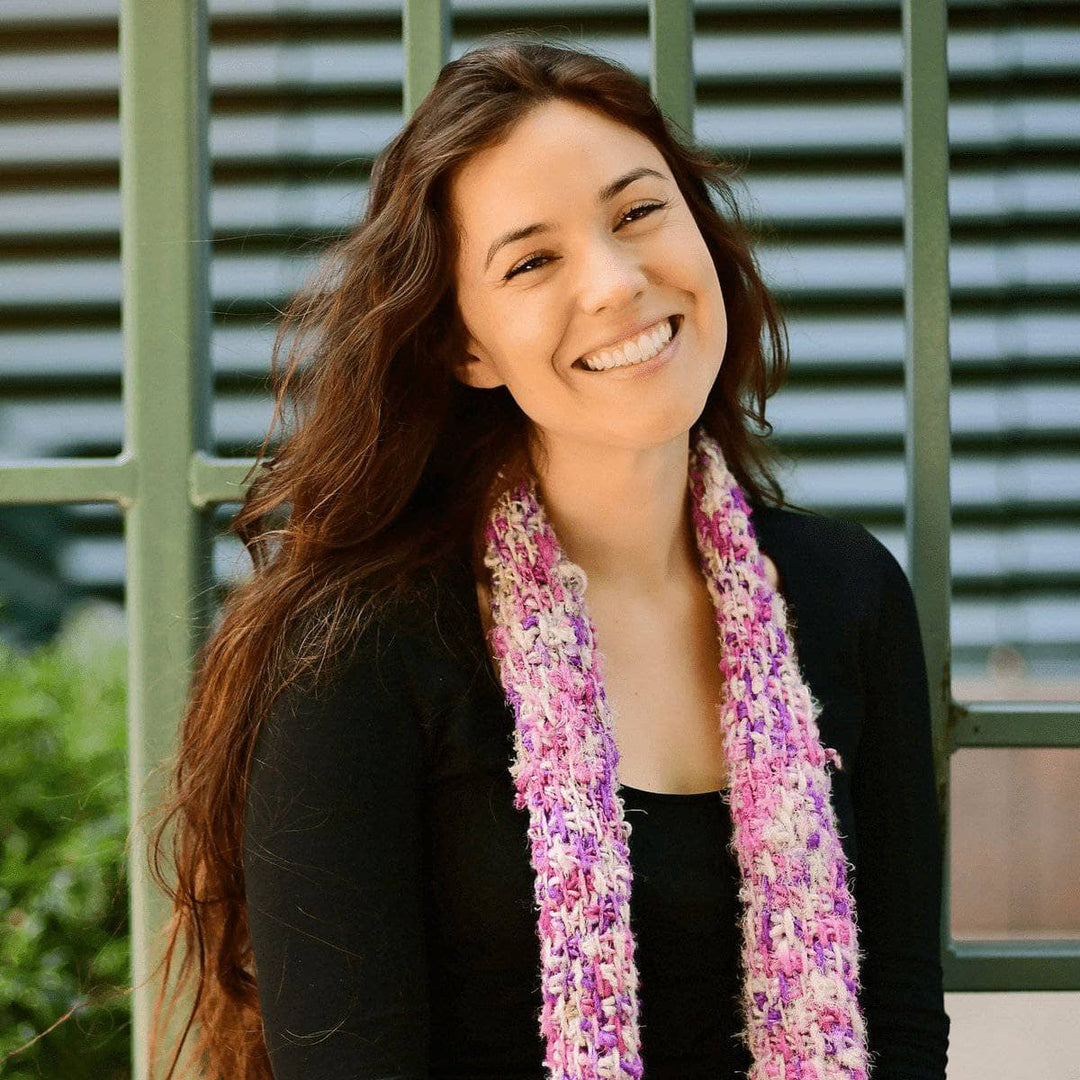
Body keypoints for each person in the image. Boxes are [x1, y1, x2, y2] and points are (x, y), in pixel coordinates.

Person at [147, 34, 950, 1080]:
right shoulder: (362, 652)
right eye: (532, 261)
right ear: (464, 344)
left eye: (639, 212)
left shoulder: (847, 597)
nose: (617, 283)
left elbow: (902, 1022)